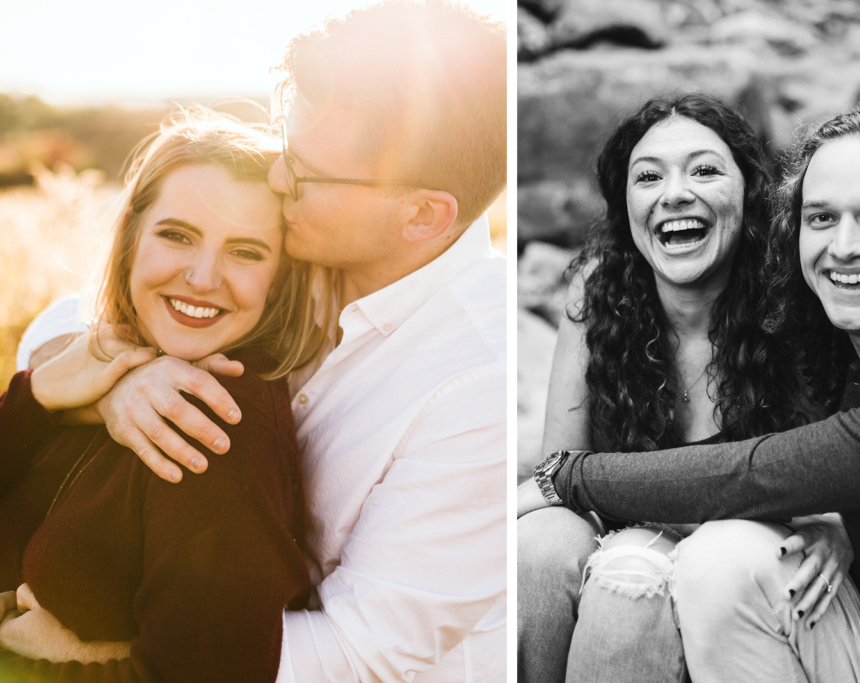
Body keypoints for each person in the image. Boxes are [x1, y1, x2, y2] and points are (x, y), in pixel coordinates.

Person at [16, 2, 507, 681]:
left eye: (304, 172)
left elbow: (367, 651)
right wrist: (124, 380)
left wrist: (75, 661)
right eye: (284, 145)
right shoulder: (302, 238)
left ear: (423, 215)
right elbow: (70, 315)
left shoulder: (479, 386)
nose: (278, 179)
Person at [519, 105, 860, 682]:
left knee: (693, 563)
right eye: (822, 218)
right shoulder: (846, 324)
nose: (846, 247)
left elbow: (769, 471)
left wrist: (564, 476)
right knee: (565, 549)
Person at [518, 94, 854, 683]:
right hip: (621, 529)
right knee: (537, 546)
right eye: (648, 177)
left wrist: (843, 526)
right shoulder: (596, 301)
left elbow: (854, 460)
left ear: (749, 192)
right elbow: (559, 471)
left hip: (744, 564)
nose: (674, 192)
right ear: (626, 207)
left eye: (704, 169)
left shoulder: (799, 300)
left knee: (629, 575)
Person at [0, 109, 330, 682]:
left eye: (246, 251)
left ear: (280, 276)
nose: (202, 278)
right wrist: (43, 394)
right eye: (177, 235)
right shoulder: (100, 359)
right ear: (131, 233)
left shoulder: (215, 422)